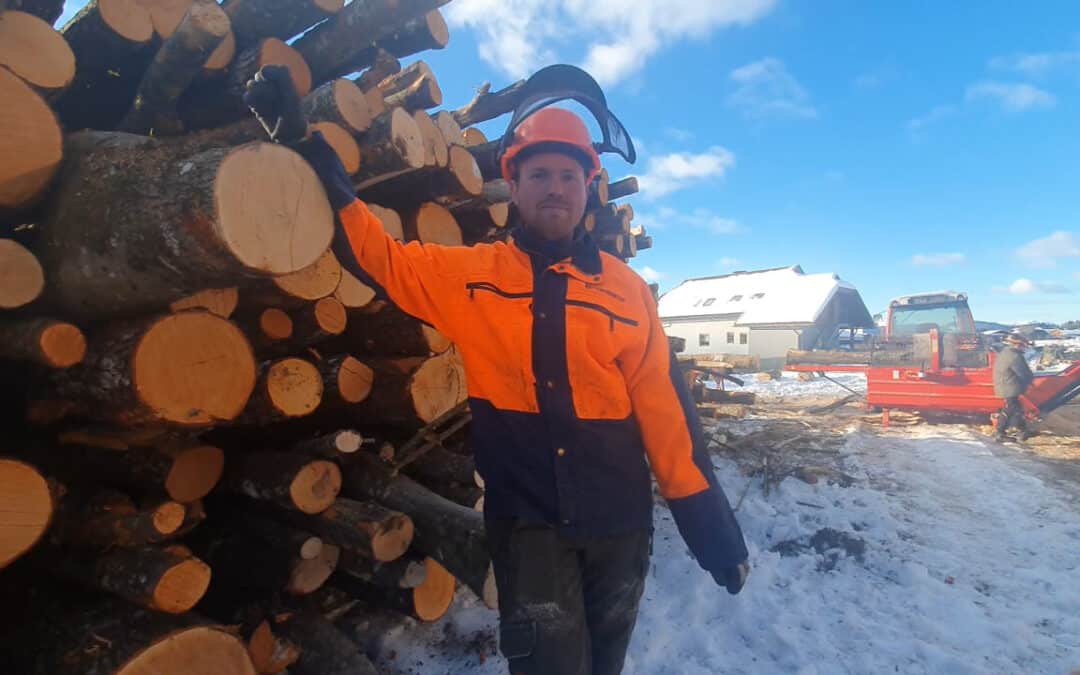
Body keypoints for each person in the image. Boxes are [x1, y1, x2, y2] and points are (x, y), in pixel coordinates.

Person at [244, 65, 750, 675]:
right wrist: (307, 147)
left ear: (590, 185)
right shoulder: (472, 277)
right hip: (528, 525)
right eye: (539, 174)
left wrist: (711, 531)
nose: (555, 188)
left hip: (619, 524)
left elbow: (666, 413)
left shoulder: (625, 290)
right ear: (513, 183)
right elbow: (379, 257)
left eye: (569, 175)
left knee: (604, 664)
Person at [993, 332, 1035, 441]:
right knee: (1012, 409)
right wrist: (1031, 382)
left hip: (1005, 385)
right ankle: (1000, 433)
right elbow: (1024, 373)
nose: (1024, 348)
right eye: (1023, 345)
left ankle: (1021, 431)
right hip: (1010, 387)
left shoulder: (1005, 352)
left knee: (1015, 408)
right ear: (1017, 344)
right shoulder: (1015, 356)